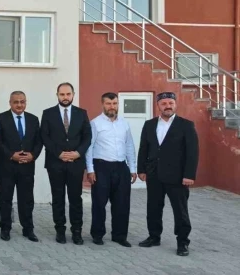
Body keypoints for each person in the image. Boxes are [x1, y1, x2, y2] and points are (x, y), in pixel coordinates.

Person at [137, 92, 199, 256]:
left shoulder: (186, 125)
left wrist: (189, 175)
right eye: (163, 103)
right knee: (153, 208)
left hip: (177, 177)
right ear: (158, 106)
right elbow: (144, 148)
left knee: (180, 210)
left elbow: (192, 152)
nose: (167, 106)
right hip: (154, 175)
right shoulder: (149, 124)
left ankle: (183, 242)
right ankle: (154, 237)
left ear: (175, 104)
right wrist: (141, 169)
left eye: (170, 103)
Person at [40, 82, 92, 245]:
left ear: (73, 95)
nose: (65, 97)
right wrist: (59, 153)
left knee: (75, 198)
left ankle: (76, 231)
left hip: (76, 163)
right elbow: (45, 136)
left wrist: (78, 153)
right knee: (58, 197)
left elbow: (87, 136)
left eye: (68, 94)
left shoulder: (81, 113)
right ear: (57, 95)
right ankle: (60, 230)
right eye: (62, 94)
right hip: (55, 162)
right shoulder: (48, 113)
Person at [85, 92, 137, 247]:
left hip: (121, 167)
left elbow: (129, 145)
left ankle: (119, 236)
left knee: (122, 203)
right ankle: (97, 234)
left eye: (114, 103)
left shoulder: (124, 124)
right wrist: (90, 169)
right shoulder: (95, 123)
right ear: (103, 104)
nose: (112, 106)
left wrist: (132, 168)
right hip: (101, 167)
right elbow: (89, 147)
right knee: (99, 203)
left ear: (118, 104)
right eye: (108, 103)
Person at [0, 91, 43, 242]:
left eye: (22, 102)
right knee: (5, 198)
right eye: (16, 102)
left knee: (26, 199)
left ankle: (28, 228)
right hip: (6, 166)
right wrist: (11, 155)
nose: (19, 105)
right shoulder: (0, 118)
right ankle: (5, 228)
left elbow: (39, 141)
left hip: (27, 166)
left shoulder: (33, 119)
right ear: (10, 103)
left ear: (26, 102)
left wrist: (32, 155)